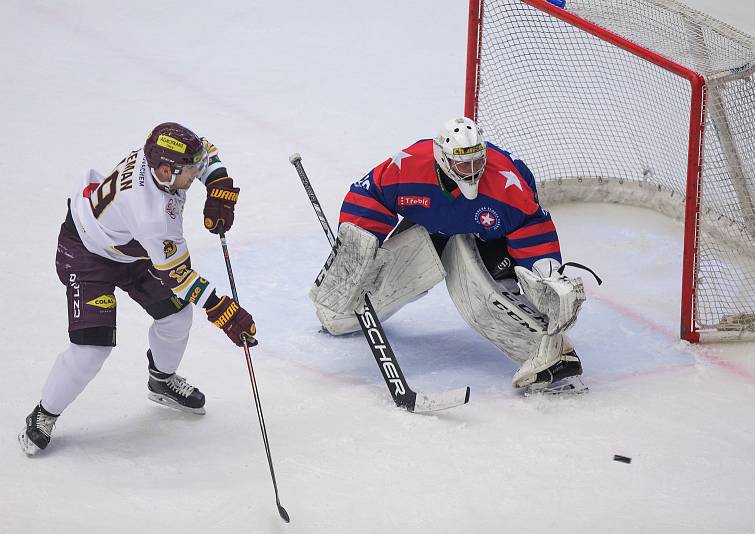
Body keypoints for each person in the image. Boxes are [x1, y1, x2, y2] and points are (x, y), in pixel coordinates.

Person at [19, 122, 258, 456]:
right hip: (86, 253)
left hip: (131, 247)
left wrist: (217, 181)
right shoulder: (152, 215)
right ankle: (44, 413)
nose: (195, 175)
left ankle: (161, 379)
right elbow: (179, 276)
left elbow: (206, 152)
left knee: (175, 314)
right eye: (190, 172)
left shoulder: (162, 163)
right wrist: (220, 308)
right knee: (92, 349)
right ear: (164, 170)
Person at [310, 117, 595, 393]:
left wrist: (545, 273)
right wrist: (356, 254)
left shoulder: (508, 182)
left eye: (477, 161)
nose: (472, 169)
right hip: (431, 230)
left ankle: (553, 354)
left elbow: (531, 225)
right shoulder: (409, 166)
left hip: (486, 241)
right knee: (342, 314)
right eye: (463, 162)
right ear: (443, 159)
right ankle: (340, 313)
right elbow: (371, 194)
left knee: (481, 300)